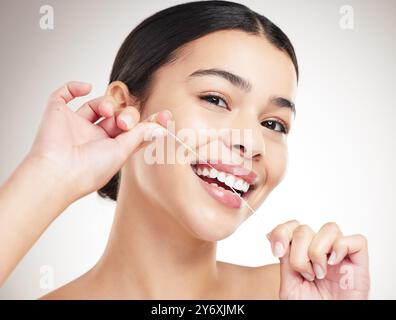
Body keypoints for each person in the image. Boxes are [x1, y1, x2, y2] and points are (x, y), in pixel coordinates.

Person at [0, 1, 369, 299]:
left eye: (273, 124)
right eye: (215, 99)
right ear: (127, 107)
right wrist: (48, 173)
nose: (252, 143)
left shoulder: (301, 294)